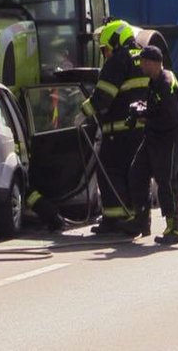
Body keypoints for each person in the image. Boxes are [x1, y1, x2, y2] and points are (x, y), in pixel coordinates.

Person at [74, 19, 149, 235]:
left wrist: (83, 112)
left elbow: (103, 96)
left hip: (119, 130)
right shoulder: (143, 57)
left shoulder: (118, 60)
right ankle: (138, 219)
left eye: (105, 49)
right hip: (142, 130)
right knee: (135, 174)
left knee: (109, 170)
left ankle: (114, 219)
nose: (105, 54)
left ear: (115, 41)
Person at [123, 45, 178, 244]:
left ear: (151, 63)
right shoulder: (155, 80)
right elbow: (157, 109)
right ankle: (141, 220)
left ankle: (174, 228)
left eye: (142, 61)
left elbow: (174, 119)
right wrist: (142, 111)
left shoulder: (165, 83)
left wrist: (146, 119)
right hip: (153, 136)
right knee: (137, 173)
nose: (140, 64)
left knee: (166, 181)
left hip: (168, 139)